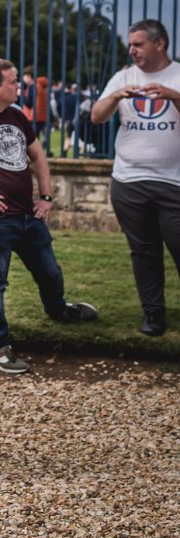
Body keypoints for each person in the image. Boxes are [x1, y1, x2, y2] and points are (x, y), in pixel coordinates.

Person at [0, 58, 99, 374]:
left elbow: (37, 155)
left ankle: (58, 310)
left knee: (50, 272)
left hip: (28, 215)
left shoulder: (17, 116)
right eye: (14, 83)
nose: (19, 87)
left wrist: (46, 197)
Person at [91, 19, 180, 337]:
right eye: (130, 44)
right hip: (129, 179)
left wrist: (173, 95)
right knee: (143, 251)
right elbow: (97, 116)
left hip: (174, 181)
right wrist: (115, 97)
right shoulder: (124, 76)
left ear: (160, 44)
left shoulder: (178, 75)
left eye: (138, 44)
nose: (132, 50)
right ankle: (153, 315)